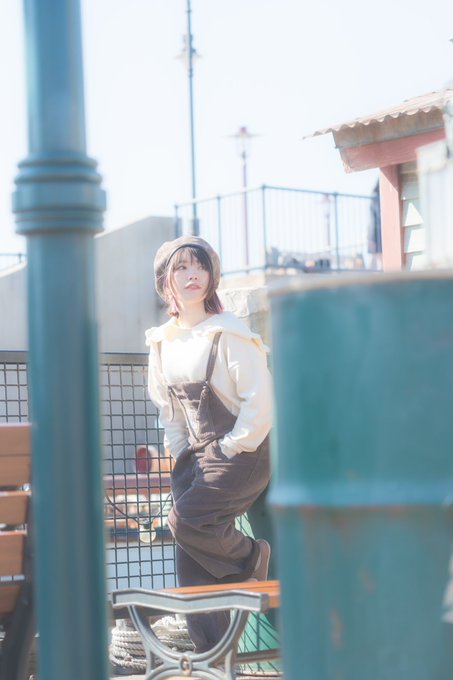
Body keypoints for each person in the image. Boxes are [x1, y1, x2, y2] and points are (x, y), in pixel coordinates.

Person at [145, 235, 273, 653]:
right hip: (195, 456)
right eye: (181, 267)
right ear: (166, 280)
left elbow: (261, 402)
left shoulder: (230, 333)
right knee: (190, 561)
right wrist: (181, 456)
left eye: (199, 266)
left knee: (184, 522)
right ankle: (211, 659)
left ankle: (251, 557)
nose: (192, 275)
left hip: (243, 453)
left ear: (212, 276)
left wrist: (232, 446)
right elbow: (170, 413)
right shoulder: (161, 343)